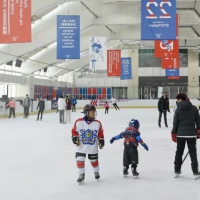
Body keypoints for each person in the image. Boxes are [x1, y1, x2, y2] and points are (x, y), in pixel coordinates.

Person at [71, 104, 104, 184]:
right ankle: (81, 174)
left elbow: (100, 133)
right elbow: (74, 131)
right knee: (79, 159)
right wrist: (75, 138)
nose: (94, 113)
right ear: (86, 113)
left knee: (94, 160)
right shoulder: (79, 121)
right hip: (81, 146)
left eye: (94, 112)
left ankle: (96, 171)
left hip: (92, 146)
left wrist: (101, 141)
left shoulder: (97, 123)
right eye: (92, 112)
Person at [172, 93, 200, 177]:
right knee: (193, 153)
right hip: (191, 134)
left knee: (179, 152)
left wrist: (174, 133)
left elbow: (175, 123)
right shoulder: (194, 108)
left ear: (181, 99)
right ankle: (195, 172)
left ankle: (177, 170)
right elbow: (198, 122)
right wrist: (198, 131)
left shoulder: (177, 109)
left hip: (180, 135)